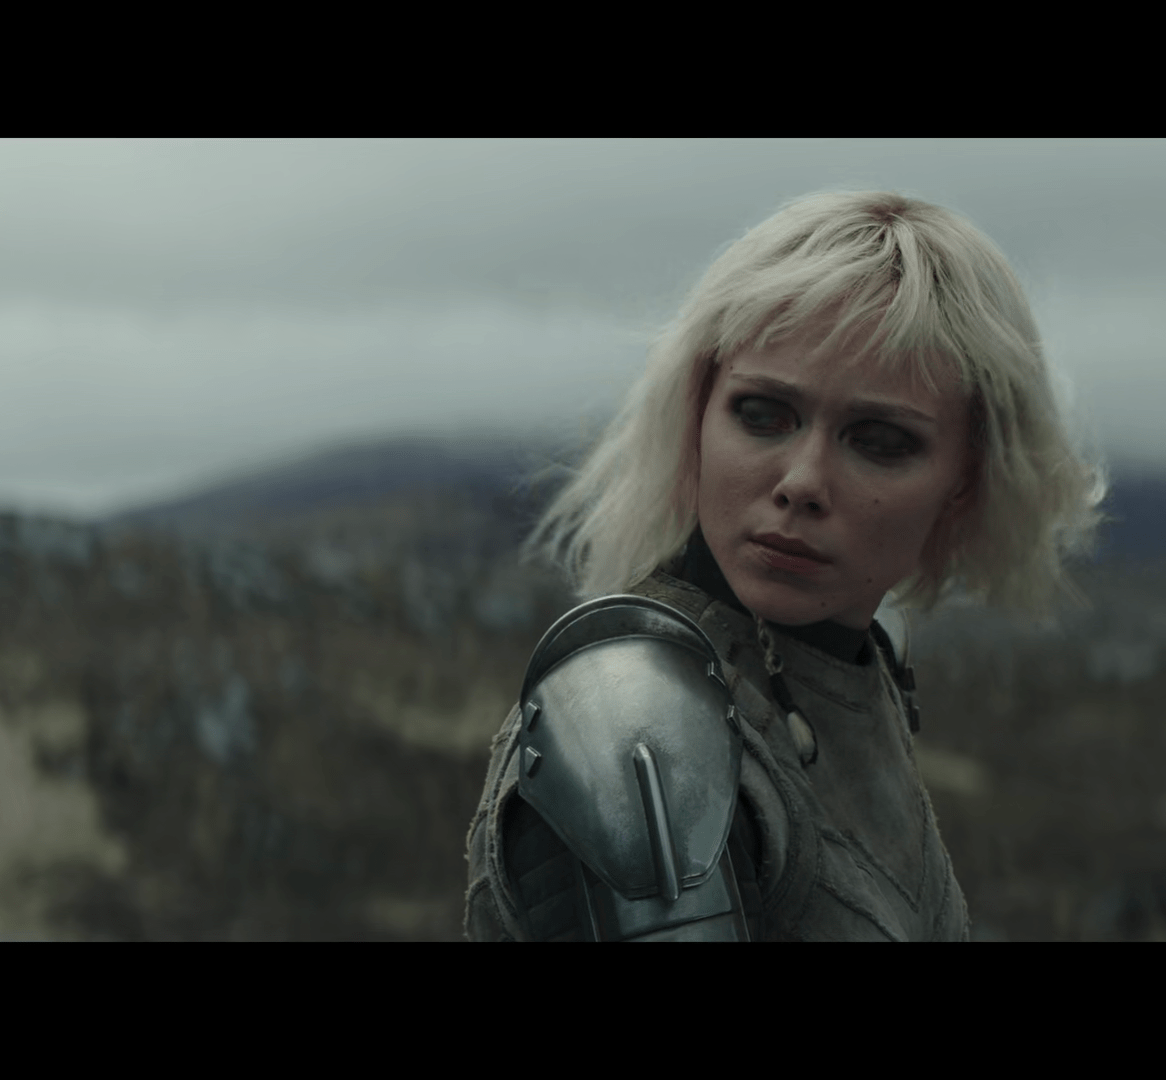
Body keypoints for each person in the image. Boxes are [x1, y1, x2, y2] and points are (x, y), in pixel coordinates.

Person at [463, 190, 1104, 941]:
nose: (802, 482)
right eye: (763, 414)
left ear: (965, 478)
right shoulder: (635, 729)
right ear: (699, 411)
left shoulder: (860, 661)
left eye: (879, 440)